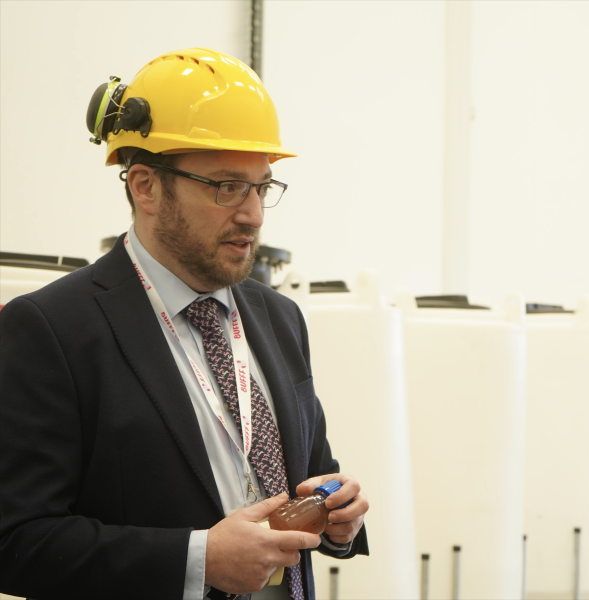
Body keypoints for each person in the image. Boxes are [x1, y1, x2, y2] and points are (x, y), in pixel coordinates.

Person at [0, 48, 368, 600]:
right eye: (226, 187)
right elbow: (16, 540)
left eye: (262, 187)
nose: (253, 214)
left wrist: (338, 515)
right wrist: (197, 560)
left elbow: (315, 470)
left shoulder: (279, 316)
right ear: (145, 186)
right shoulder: (52, 329)